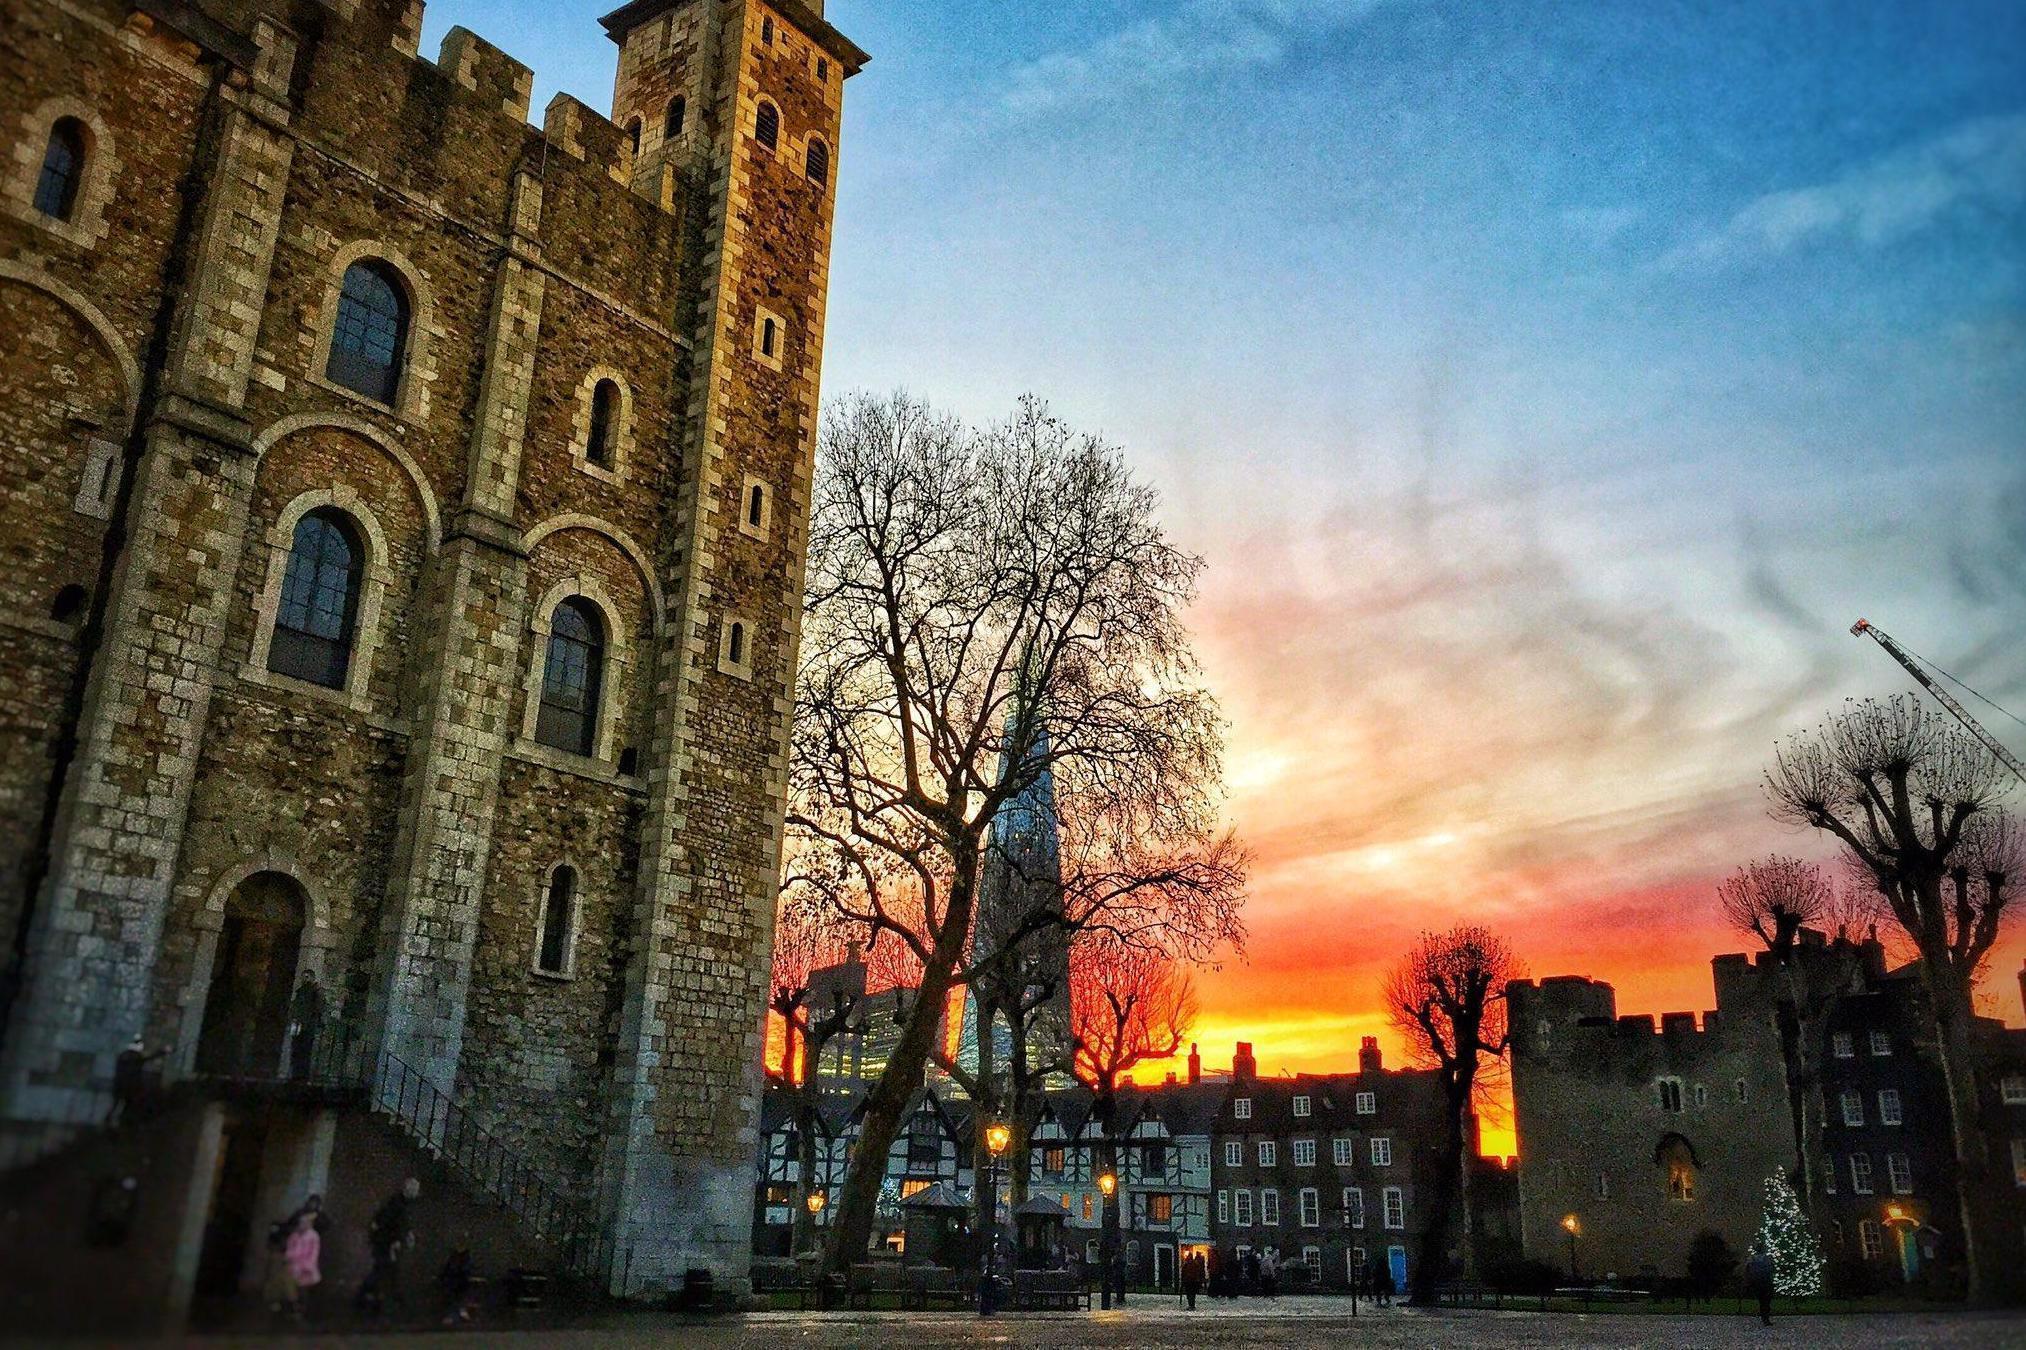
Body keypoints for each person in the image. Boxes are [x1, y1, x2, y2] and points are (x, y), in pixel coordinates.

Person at [357, 1177, 420, 1315]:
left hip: (386, 1244)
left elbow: (395, 1224)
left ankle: (374, 1301)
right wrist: (395, 1241)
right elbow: (391, 1225)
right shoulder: (397, 1205)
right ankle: (387, 1303)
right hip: (386, 1245)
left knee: (383, 1271)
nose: (416, 1193)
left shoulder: (398, 1204)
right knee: (385, 1272)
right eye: (415, 1190)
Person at [283, 1210, 322, 1322]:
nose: (303, 1225)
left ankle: (301, 1311)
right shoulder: (294, 1235)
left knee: (303, 1290)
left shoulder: (313, 1236)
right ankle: (295, 1309)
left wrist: (308, 1266)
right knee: (292, 1288)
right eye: (301, 1222)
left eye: (305, 1222)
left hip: (305, 1267)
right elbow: (290, 1249)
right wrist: (289, 1258)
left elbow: (313, 1253)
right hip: (294, 1266)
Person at [288, 974, 325, 1080]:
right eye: (303, 976)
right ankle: (295, 1074)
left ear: (312, 978)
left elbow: (318, 1008)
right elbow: (296, 1007)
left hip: (308, 1026)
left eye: (307, 976)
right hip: (299, 1024)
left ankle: (301, 1076)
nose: (305, 978)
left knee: (304, 1051)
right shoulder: (301, 992)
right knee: (296, 1050)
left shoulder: (316, 992)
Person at [1745, 1248, 1775, 1326]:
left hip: (1756, 1283)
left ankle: (1763, 1317)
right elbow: (1771, 1269)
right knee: (1766, 1302)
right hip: (1766, 1282)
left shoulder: (1752, 1259)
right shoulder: (1768, 1259)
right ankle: (1766, 1318)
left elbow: (1747, 1270)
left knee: (1762, 1301)